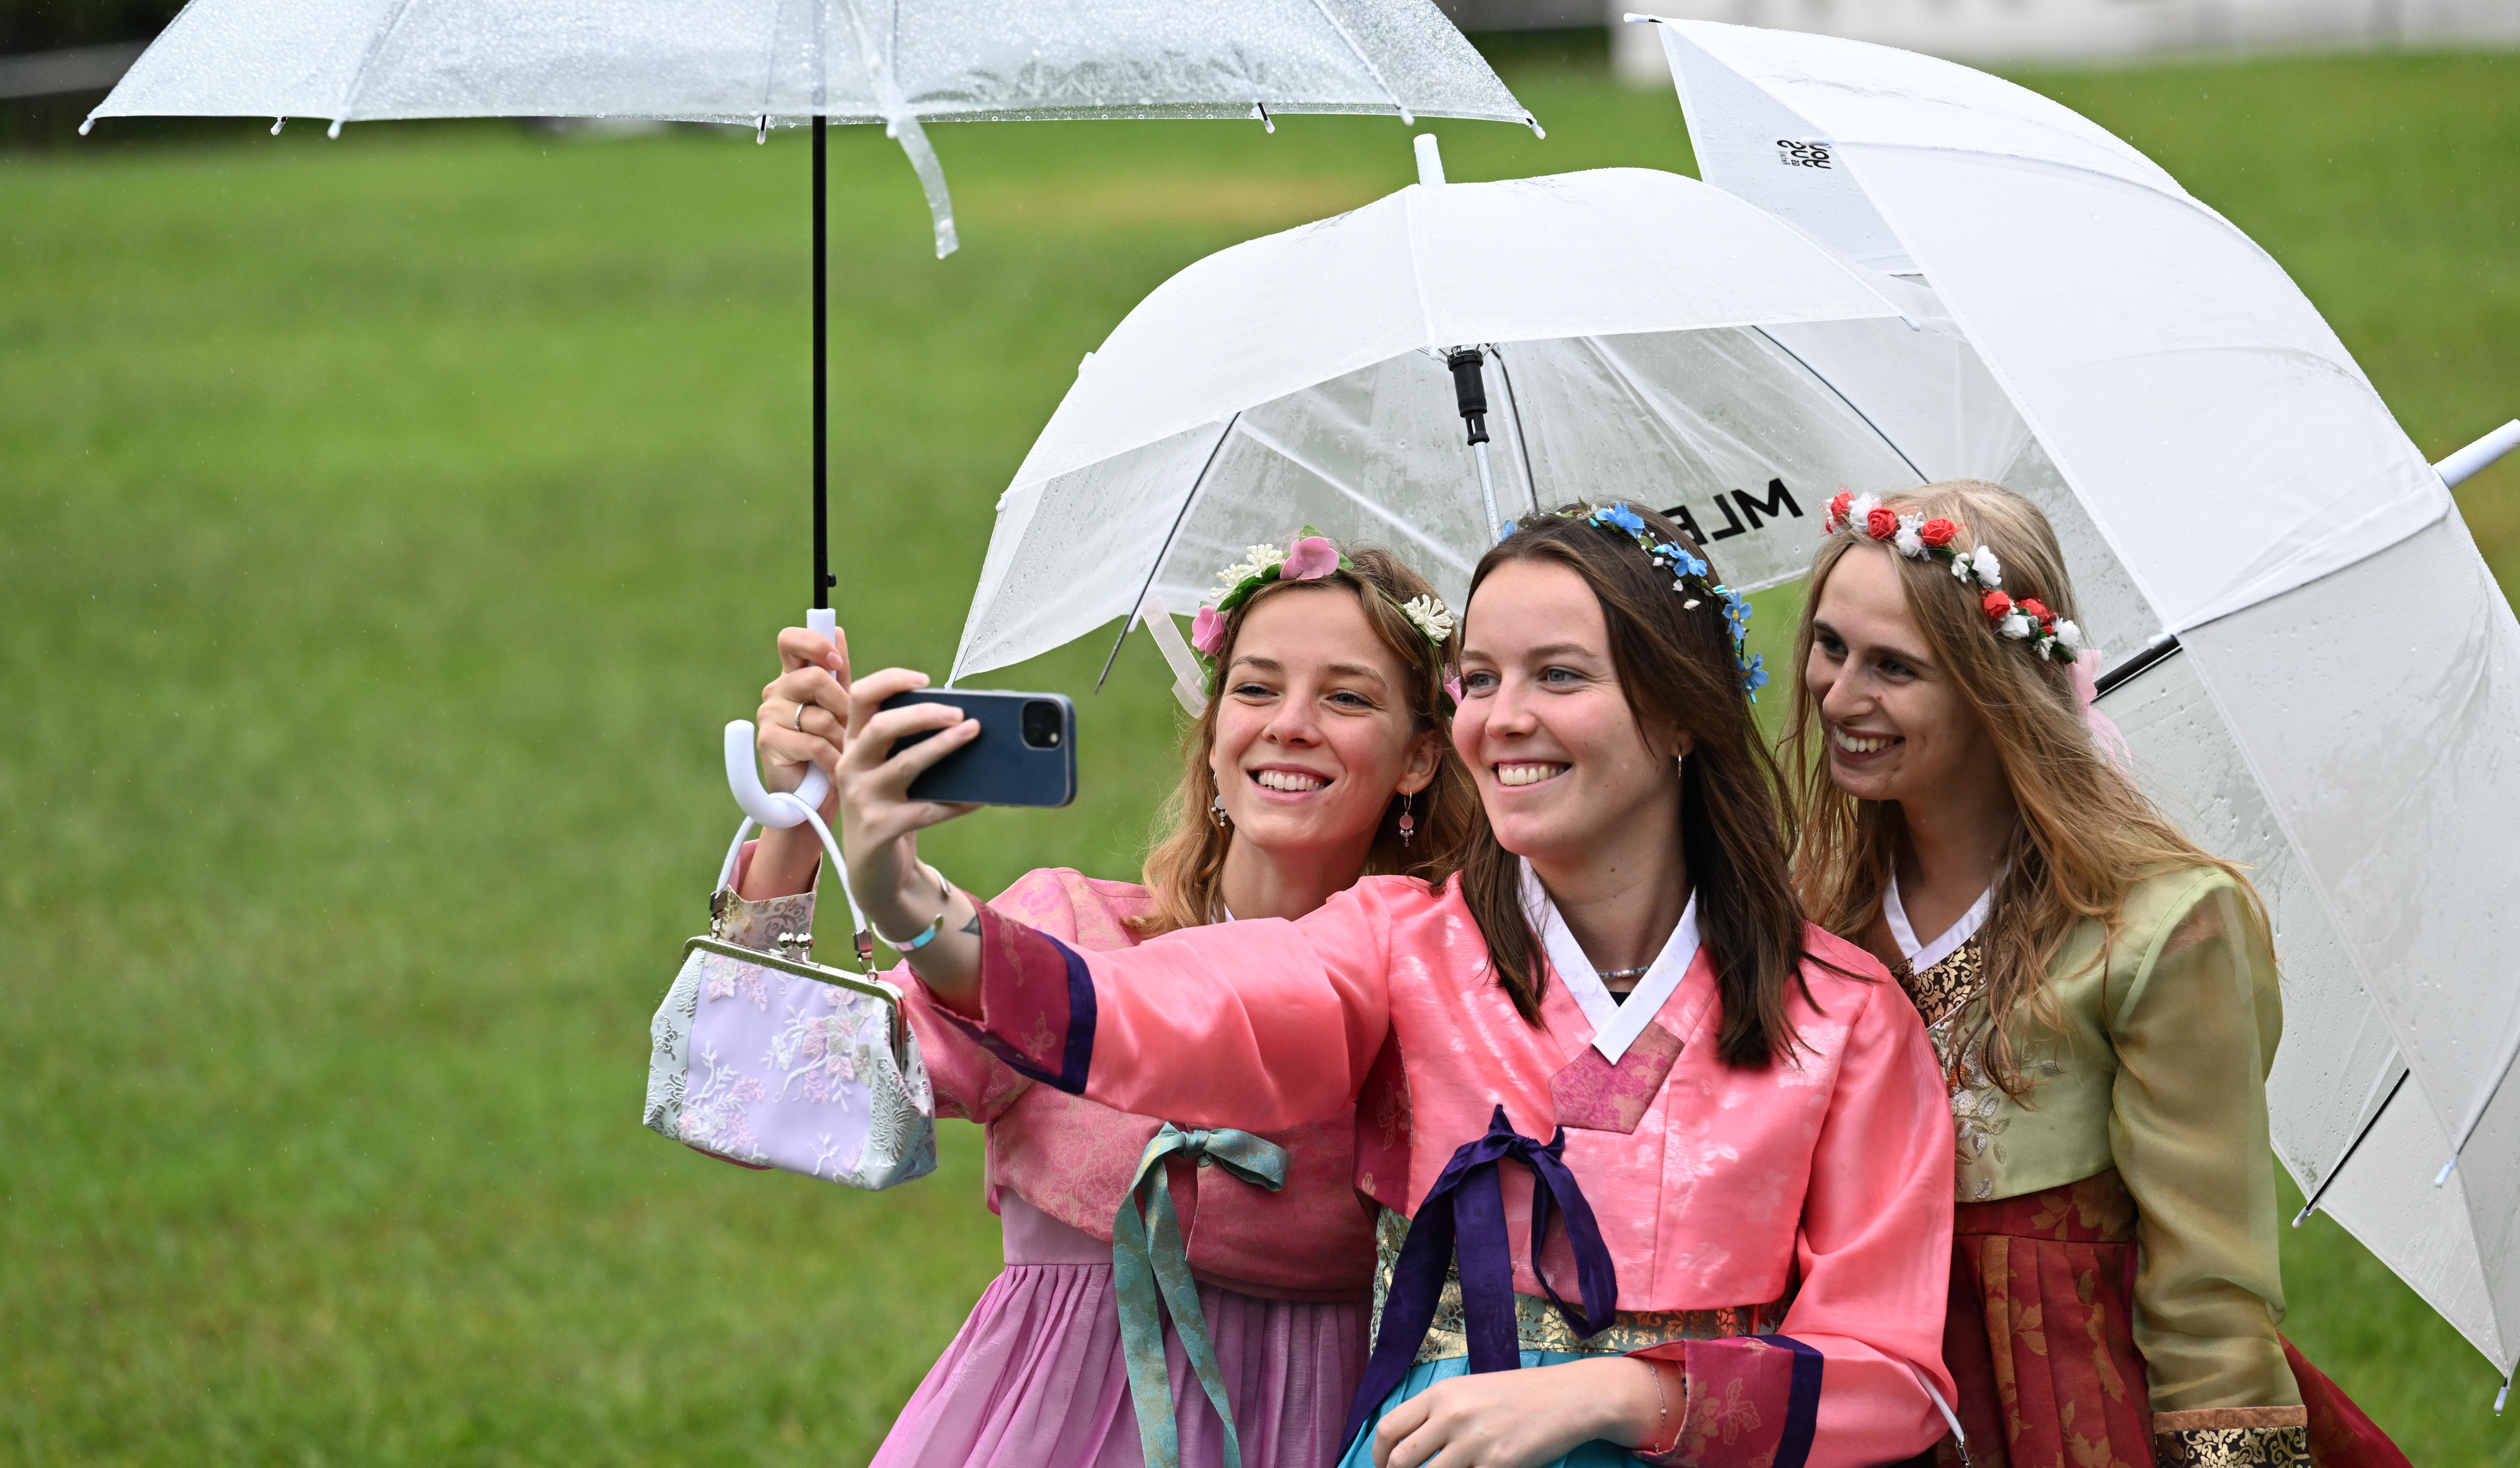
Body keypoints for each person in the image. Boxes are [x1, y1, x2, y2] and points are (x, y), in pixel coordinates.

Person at [838, 501, 1959, 1468]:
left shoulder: (1845, 1015)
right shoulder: (1403, 944)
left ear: (1677, 715)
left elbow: (1893, 1376)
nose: (1502, 716)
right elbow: (1183, 1004)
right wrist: (919, 914)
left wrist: (1620, 1394)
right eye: (1479, 678)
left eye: (1558, 675)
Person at [718, 532, 1476, 1468]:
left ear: (1421, 758)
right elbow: (756, 1095)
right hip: (1038, 1433)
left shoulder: (1447, 1000)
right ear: (1213, 727)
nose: (1290, 723)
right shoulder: (1066, 933)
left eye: (1348, 697)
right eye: (1255, 686)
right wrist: (790, 819)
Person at [1787, 480, 2409, 1468]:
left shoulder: (2161, 925)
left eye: (1894, 667)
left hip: (2068, 1407)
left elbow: (2210, 1290)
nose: (1838, 695)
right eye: (1830, 646)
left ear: (1995, 686)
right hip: (1854, 1398)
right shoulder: (1811, 910)